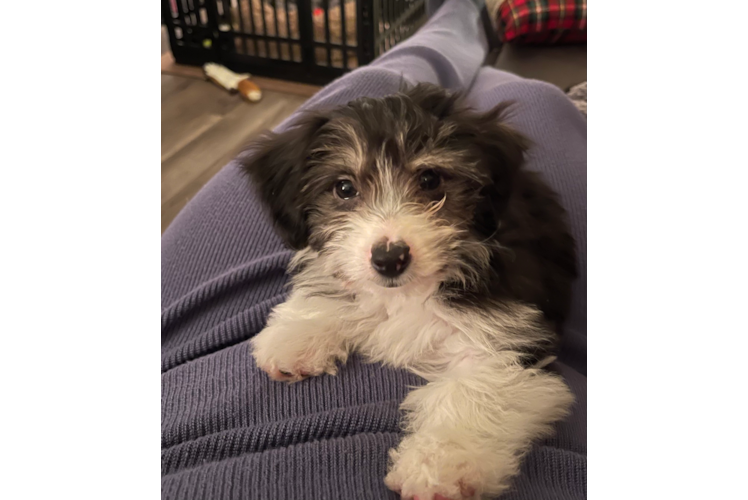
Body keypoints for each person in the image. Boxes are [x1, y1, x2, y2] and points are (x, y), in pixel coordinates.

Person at [160, 0, 587, 498]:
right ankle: (461, 24)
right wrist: (317, 315)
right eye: (345, 190)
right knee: (512, 91)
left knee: (516, 93)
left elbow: (521, 375)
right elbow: (320, 278)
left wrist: (457, 441)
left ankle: (459, 27)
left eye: (429, 182)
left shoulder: (496, 290)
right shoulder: (328, 260)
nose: (389, 241)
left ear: (488, 190)